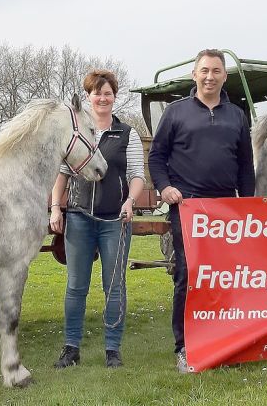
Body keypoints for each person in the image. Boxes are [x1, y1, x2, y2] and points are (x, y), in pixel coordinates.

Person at [147, 49, 255, 372]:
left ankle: (222, 341)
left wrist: (246, 206)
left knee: (224, 277)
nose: (210, 76)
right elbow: (156, 157)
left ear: (225, 76)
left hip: (226, 209)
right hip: (187, 207)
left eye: (216, 71)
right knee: (188, 274)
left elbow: (246, 167)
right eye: (204, 70)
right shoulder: (176, 113)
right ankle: (184, 346)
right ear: (194, 75)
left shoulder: (237, 116)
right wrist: (164, 187)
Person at [49, 69, 146, 369]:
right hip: (79, 218)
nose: (102, 98)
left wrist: (130, 201)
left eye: (108, 93)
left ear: (114, 97)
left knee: (114, 285)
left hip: (114, 221)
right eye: (97, 93)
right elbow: (62, 174)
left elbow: (137, 175)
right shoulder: (78, 132)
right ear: (89, 97)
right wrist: (55, 207)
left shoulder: (127, 134)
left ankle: (112, 349)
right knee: (76, 286)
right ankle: (71, 348)